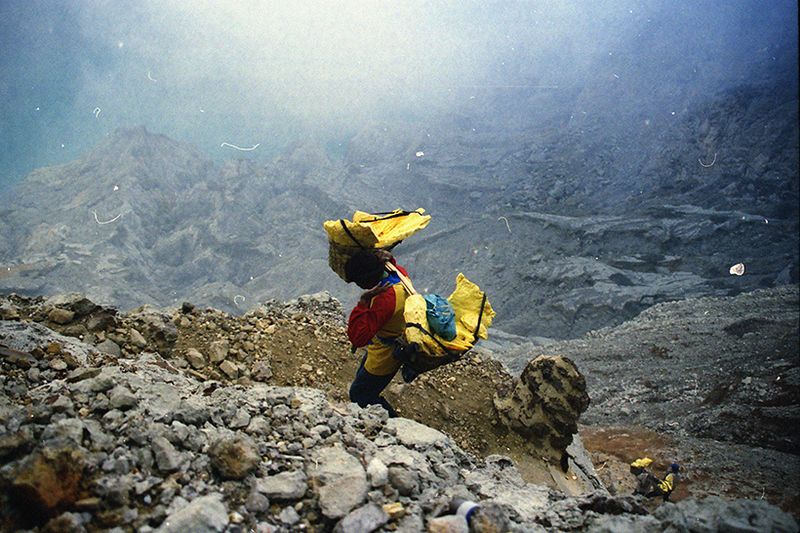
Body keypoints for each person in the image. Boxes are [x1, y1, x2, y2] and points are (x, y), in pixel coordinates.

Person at [345, 249, 411, 417]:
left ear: (367, 281)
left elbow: (359, 338)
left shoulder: (384, 299)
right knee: (363, 380)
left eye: (359, 282)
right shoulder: (398, 272)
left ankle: (395, 424)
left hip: (386, 355)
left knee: (360, 395)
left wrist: (363, 302)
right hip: (392, 340)